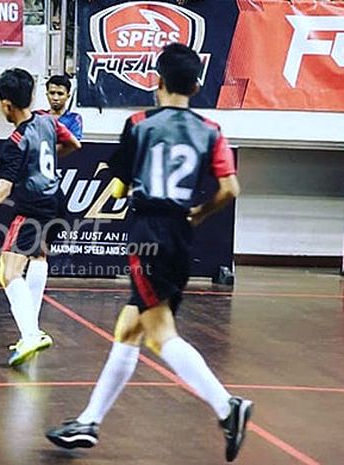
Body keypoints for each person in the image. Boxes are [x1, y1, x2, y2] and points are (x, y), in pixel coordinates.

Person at [45, 43, 253, 463]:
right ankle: (88, 422)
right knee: (128, 328)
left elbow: (120, 181)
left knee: (160, 334)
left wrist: (98, 205)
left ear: (156, 80)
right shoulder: (211, 129)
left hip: (148, 230)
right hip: (179, 233)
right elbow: (230, 189)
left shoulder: (139, 123)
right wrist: (198, 213)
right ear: (197, 85)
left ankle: (226, 406)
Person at [0, 68, 81, 367]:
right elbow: (75, 144)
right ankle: (31, 331)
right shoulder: (48, 120)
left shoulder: (16, 141)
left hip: (33, 208)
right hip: (57, 201)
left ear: (6, 104)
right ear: (32, 96)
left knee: (8, 272)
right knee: (38, 259)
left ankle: (31, 333)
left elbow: (2, 190)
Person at [45, 75, 83, 140]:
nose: (55, 98)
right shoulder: (39, 116)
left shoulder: (74, 119)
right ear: (47, 94)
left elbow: (72, 144)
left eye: (60, 94)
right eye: (52, 93)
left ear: (67, 96)